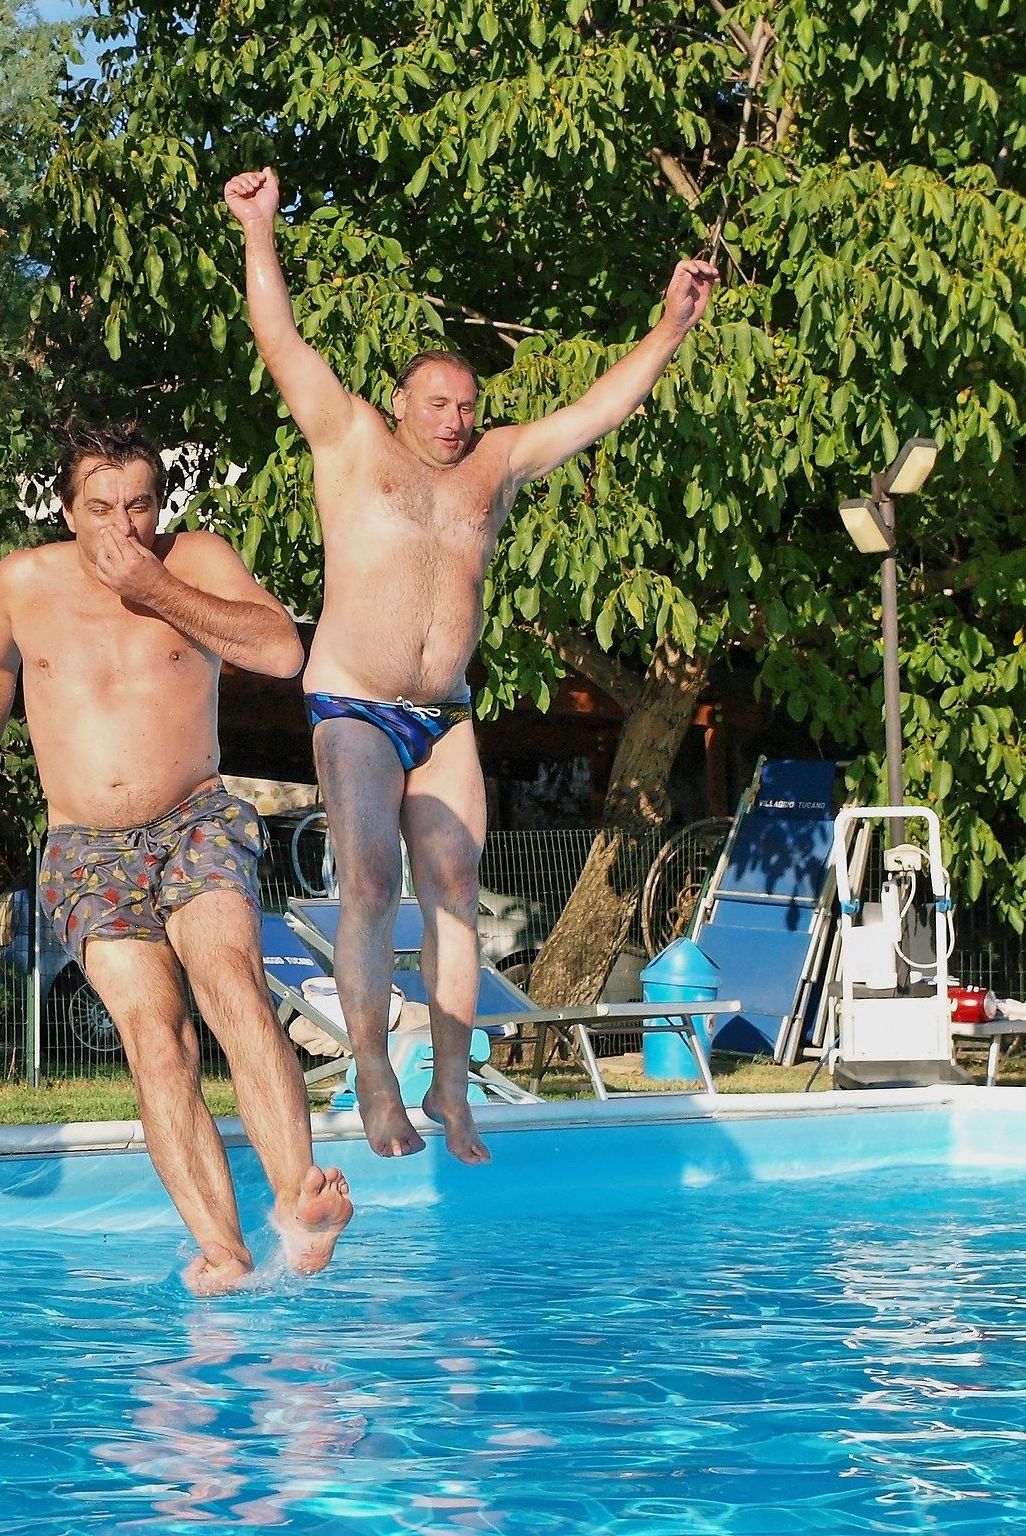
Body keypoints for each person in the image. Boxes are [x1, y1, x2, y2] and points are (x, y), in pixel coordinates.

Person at [221, 166, 719, 1162]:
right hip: (355, 702)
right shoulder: (351, 438)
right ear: (400, 400)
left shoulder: (493, 464)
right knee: (368, 878)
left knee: (454, 886)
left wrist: (668, 329)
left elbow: (594, 413)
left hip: (445, 712)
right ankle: (371, 1072)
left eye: (467, 403)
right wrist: (259, 229)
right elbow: (279, 339)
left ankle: (451, 1086)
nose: (455, 417)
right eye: (439, 401)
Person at [0, 423, 351, 1293]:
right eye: (98, 508)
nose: (119, 527)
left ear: (158, 505)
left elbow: (282, 651)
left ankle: (297, 1204)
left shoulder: (193, 559)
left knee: (229, 980)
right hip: (84, 843)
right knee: (155, 1038)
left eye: (137, 506)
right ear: (66, 507)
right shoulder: (26, 580)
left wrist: (158, 586)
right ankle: (223, 1247)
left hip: (195, 814)